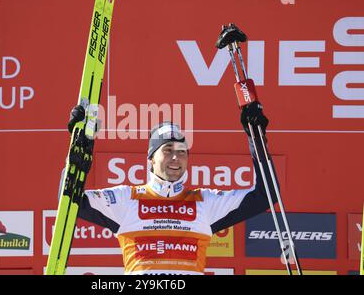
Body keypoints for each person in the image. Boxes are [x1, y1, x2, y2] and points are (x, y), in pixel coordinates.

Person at [68, 101, 276, 275]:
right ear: (150, 158)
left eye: (182, 151)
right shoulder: (127, 199)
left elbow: (265, 195)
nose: (176, 158)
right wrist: (78, 144)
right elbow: (69, 199)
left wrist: (256, 138)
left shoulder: (204, 202)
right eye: (167, 150)